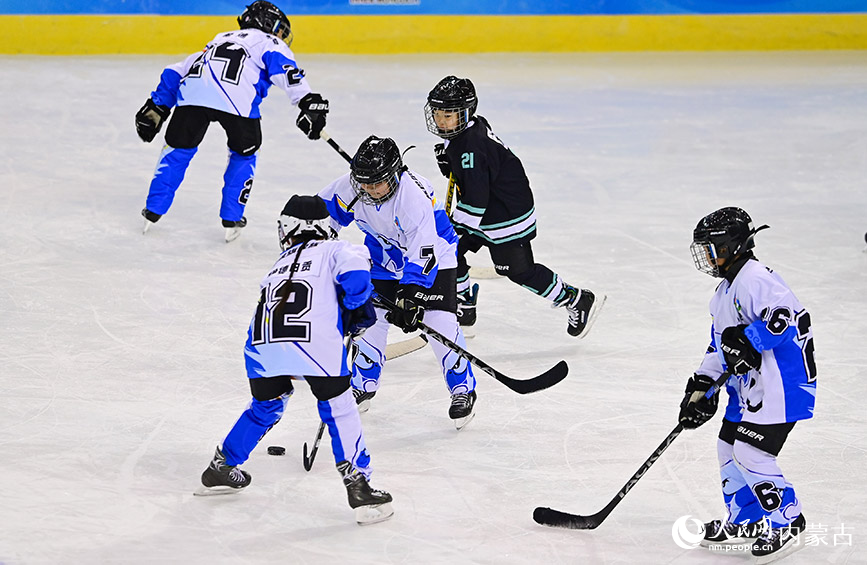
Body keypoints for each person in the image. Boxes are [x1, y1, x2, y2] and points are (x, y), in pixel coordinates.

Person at [197, 194, 393, 526]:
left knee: (266, 406)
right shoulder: (338, 249)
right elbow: (358, 280)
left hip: (262, 348)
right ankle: (358, 485)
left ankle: (222, 466)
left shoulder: (278, 264)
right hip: (315, 344)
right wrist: (357, 310)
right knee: (339, 406)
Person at [678, 207, 816, 562]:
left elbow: (784, 318)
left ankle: (787, 520)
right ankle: (749, 518)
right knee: (728, 447)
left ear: (731, 247)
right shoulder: (723, 293)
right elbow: (719, 344)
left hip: (780, 385)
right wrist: (702, 385)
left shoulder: (755, 279)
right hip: (748, 389)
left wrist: (751, 339)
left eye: (712, 249)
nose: (707, 257)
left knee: (751, 453)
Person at [424, 75, 603, 338]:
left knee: (520, 272)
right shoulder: (470, 130)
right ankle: (465, 303)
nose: (441, 121)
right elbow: (479, 175)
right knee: (449, 251)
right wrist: (451, 164)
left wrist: (454, 228)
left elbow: (475, 199)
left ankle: (575, 299)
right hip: (490, 211)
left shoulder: (470, 149)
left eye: (448, 115)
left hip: (505, 217)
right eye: (438, 114)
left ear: (465, 113)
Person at [318, 135, 478, 430]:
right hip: (383, 262)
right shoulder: (354, 185)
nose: (369, 189)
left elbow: (425, 248)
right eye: (364, 182)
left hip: (435, 259)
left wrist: (412, 294)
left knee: (439, 324)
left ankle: (462, 389)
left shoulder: (411, 197)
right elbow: (322, 216)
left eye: (377, 182)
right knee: (367, 319)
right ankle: (363, 383)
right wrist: (315, 248)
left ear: (395, 173)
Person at [135, 1, 330, 242]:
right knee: (244, 154)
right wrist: (307, 100)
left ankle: (153, 211)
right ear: (267, 24)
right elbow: (285, 69)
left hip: (193, 96)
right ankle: (231, 217)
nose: (281, 35)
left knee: (177, 151)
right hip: (239, 103)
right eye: (279, 28)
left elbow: (177, 70)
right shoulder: (269, 42)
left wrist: (158, 105)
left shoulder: (217, 41)